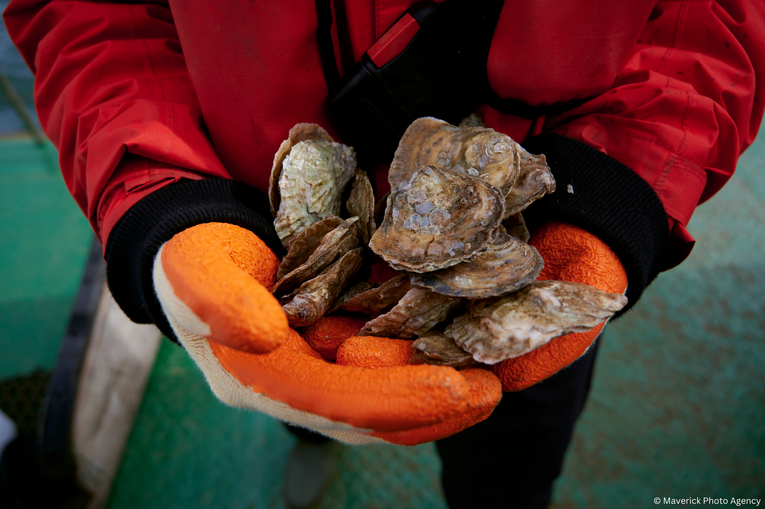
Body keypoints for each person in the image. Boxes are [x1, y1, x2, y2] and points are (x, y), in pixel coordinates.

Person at [4, 1, 765, 507]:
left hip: (535, 219)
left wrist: (614, 190)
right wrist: (165, 205)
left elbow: (716, 17)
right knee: (290, 367)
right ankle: (306, 432)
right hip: (273, 234)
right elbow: (86, 14)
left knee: (514, 431)